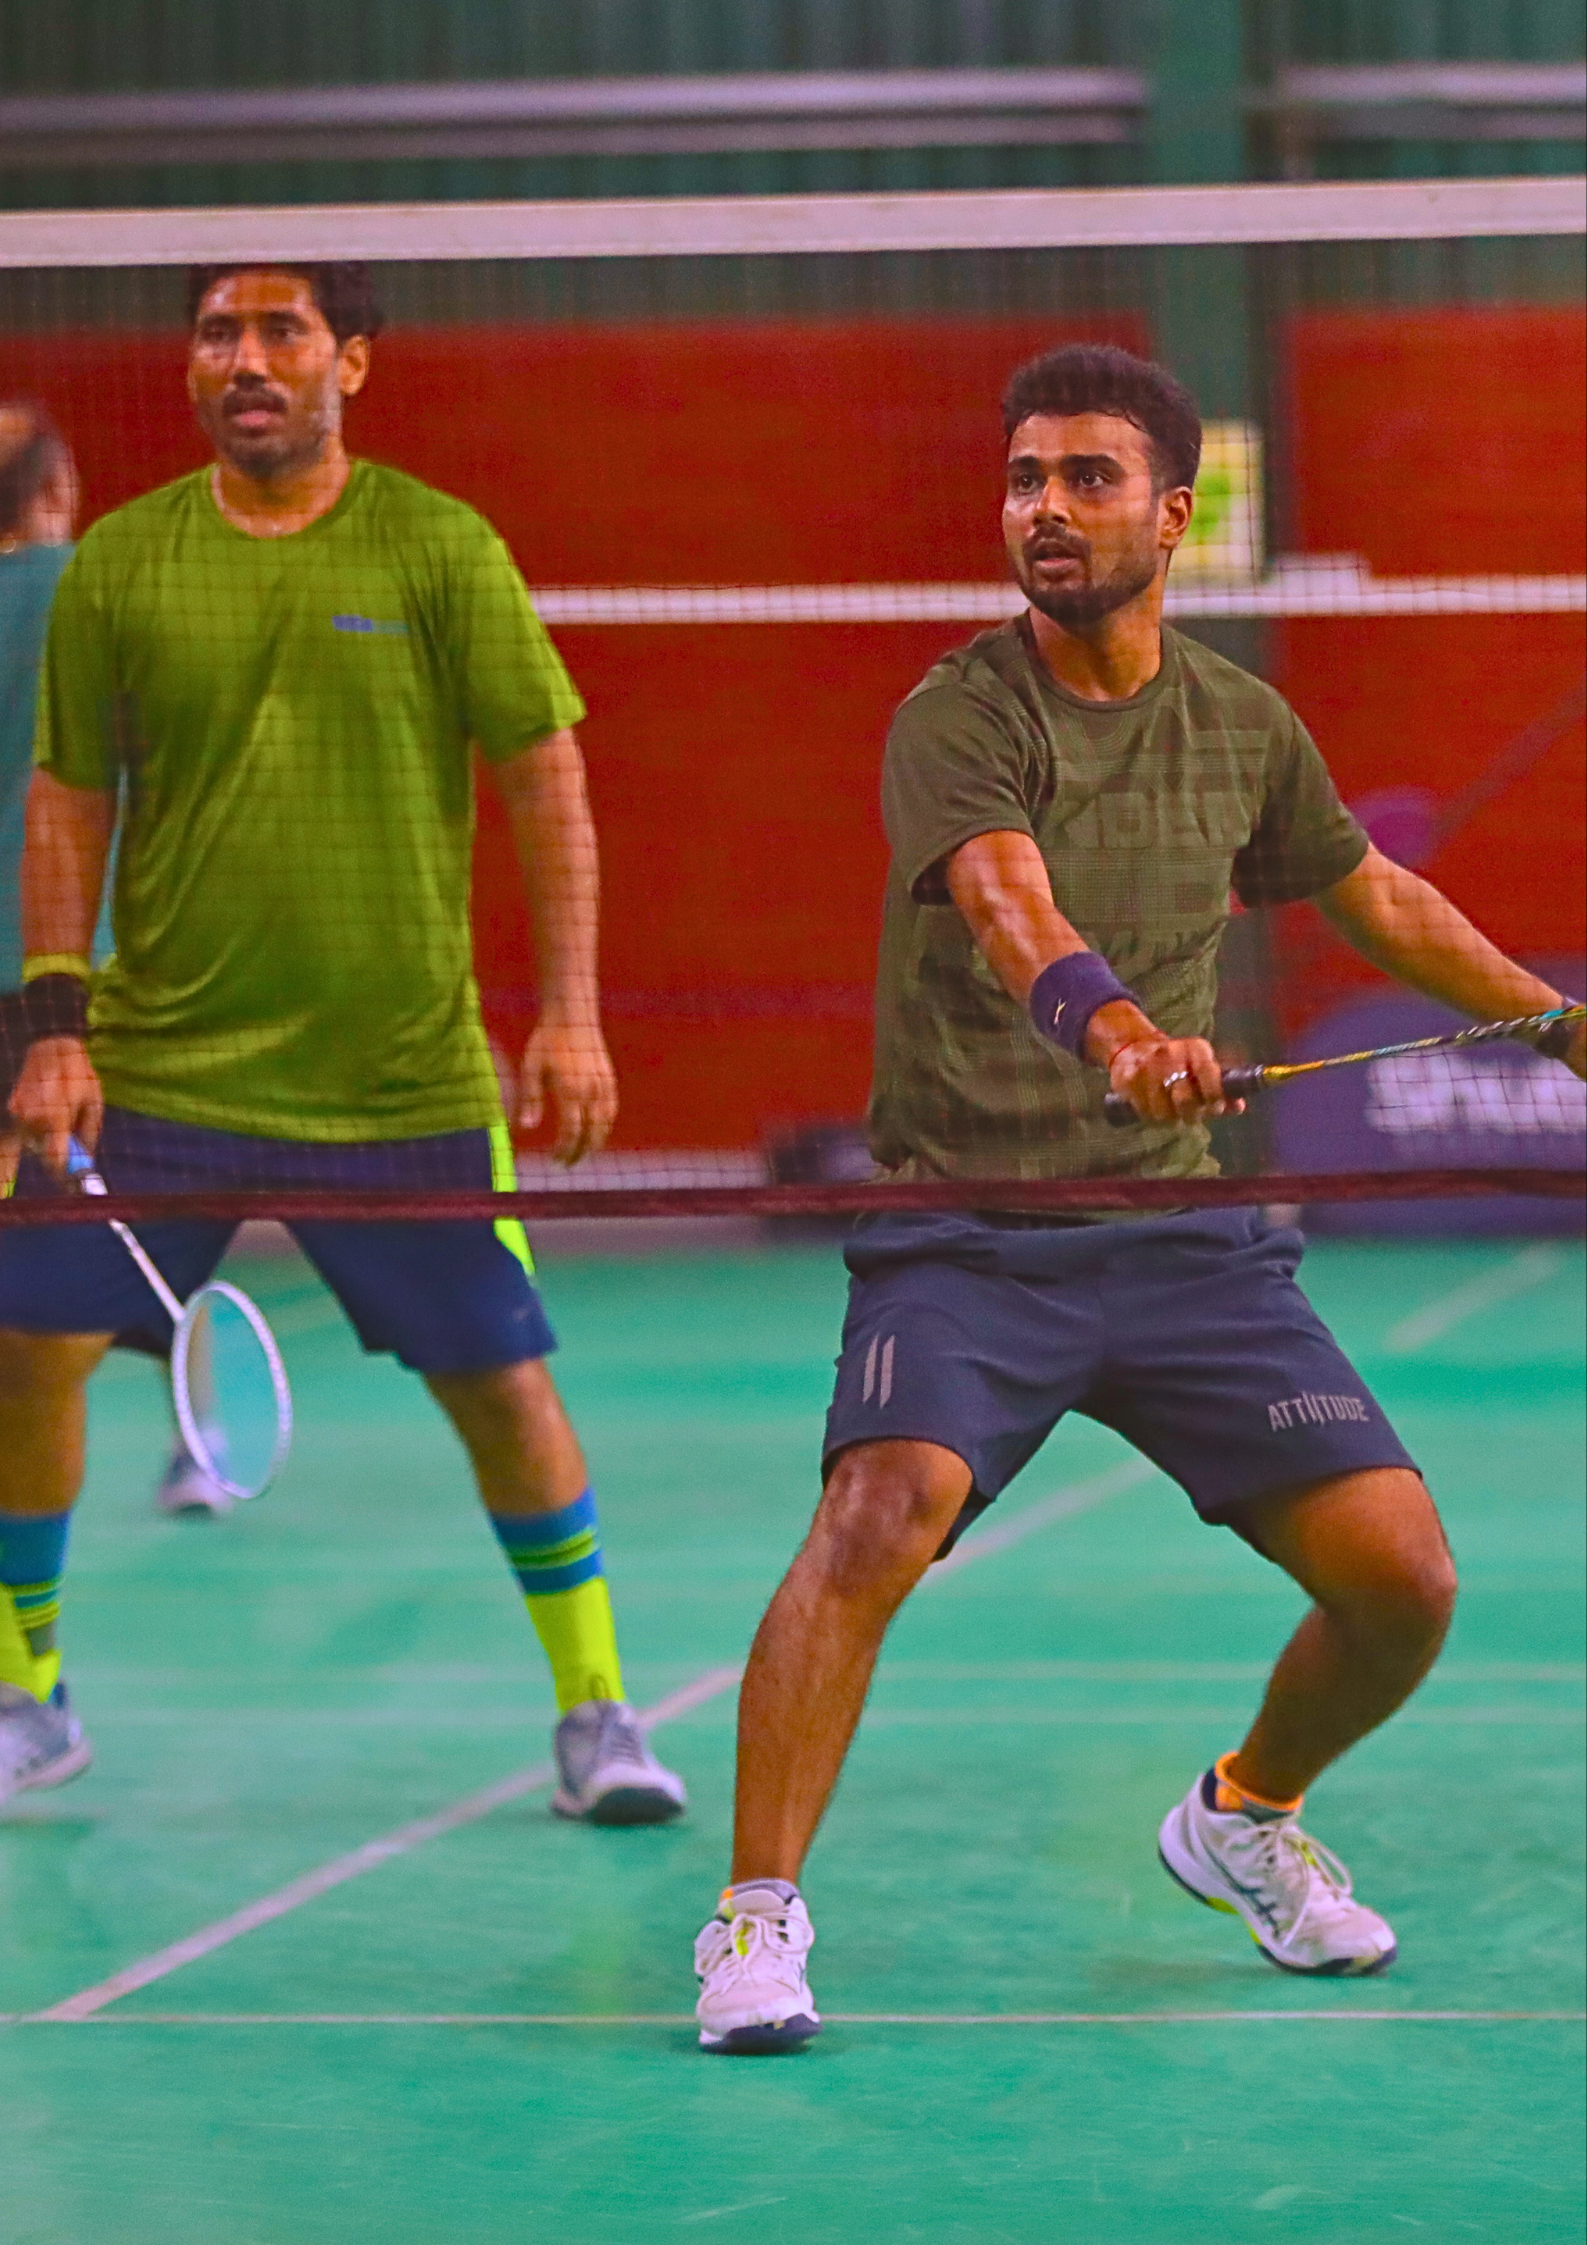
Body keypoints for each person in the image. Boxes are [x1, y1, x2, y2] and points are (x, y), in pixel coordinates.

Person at [692, 342, 1586, 2054]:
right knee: (878, 1513)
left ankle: (1242, 1814)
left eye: (1086, 477)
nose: (1044, 507)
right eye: (1023, 477)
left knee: (1402, 1581)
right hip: (968, 1230)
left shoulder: (1239, 724)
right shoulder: (959, 714)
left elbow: (1373, 895)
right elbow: (1004, 902)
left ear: (1171, 517)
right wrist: (1114, 1033)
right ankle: (753, 1914)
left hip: (1178, 1238)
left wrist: (1554, 1024)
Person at [0, 262, 686, 1830]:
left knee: (501, 1385)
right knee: (23, 1344)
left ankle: (595, 1708)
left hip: (396, 1076)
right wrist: (55, 1024)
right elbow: (66, 799)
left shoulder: (438, 545)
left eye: (281, 331)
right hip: (163, 1062)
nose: (245, 359)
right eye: (218, 334)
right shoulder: (125, 561)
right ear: (190, 369)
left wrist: (571, 1010)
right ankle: (27, 1689)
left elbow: (545, 779)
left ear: (351, 363)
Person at [0, 402, 228, 1521]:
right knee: (150, 1212)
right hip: (101, 959)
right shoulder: (115, 586)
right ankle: (198, 1443)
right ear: (62, 487)